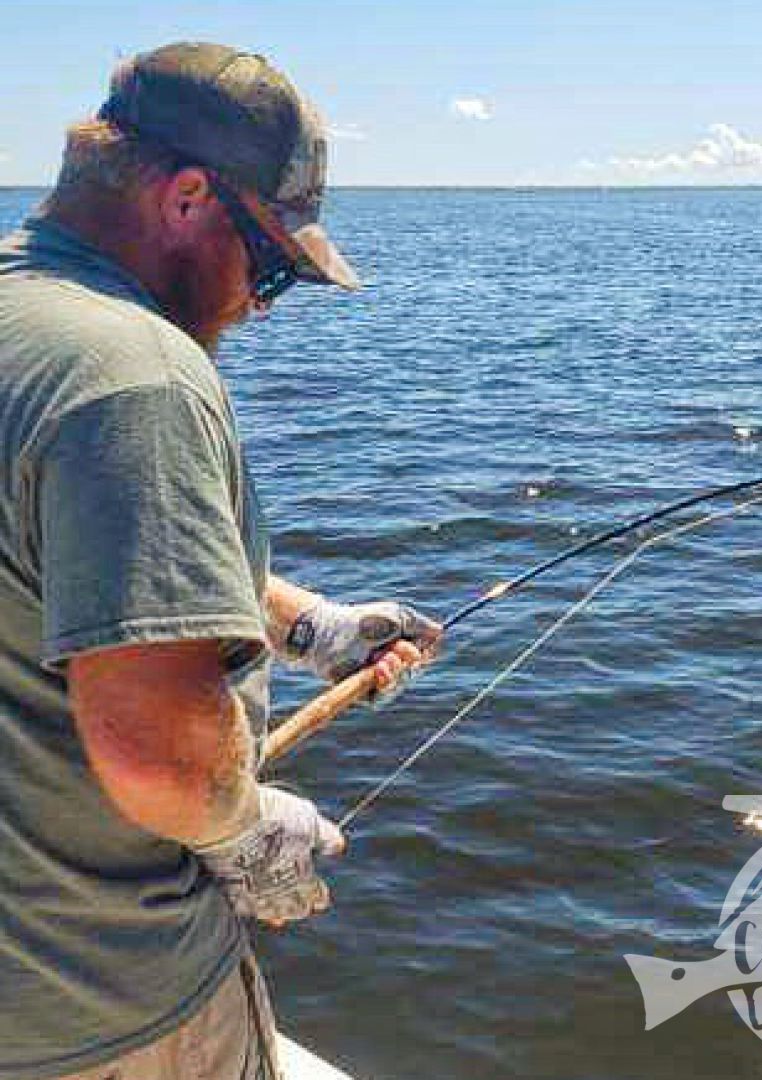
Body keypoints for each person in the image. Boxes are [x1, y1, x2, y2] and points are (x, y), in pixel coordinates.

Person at [0, 41, 441, 1079]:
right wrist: (244, 829)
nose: (256, 302)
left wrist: (305, 627)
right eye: (275, 263)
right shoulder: (137, 378)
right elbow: (159, 758)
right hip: (101, 1006)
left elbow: (70, 559)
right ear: (190, 198)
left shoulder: (28, 330)